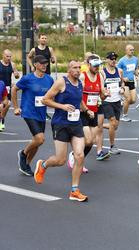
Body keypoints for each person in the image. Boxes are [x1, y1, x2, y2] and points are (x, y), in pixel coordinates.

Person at [34, 60, 88, 202]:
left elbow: (79, 100)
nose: (78, 70)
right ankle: (43, 165)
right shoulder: (61, 82)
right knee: (60, 160)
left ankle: (74, 190)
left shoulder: (80, 84)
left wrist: (86, 109)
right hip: (61, 124)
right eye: (74, 68)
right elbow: (45, 100)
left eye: (79, 68)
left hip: (76, 123)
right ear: (69, 70)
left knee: (79, 155)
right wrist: (62, 106)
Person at [11, 55, 54, 176]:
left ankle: (26, 165)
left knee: (37, 141)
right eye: (41, 63)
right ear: (35, 64)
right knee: (40, 138)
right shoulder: (27, 78)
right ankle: (23, 154)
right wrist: (16, 107)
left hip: (41, 113)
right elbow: (14, 89)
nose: (45, 65)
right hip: (28, 111)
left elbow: (52, 94)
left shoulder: (49, 79)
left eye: (46, 63)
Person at [67, 55, 110, 171]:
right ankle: (74, 156)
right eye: (95, 65)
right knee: (87, 139)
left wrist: (105, 95)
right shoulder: (82, 76)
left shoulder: (100, 77)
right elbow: (77, 94)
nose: (97, 68)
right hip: (83, 111)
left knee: (91, 142)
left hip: (94, 111)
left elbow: (101, 96)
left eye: (99, 65)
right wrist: (86, 108)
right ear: (89, 65)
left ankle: (78, 161)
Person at [101, 52, 125, 155]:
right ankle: (112, 146)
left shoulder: (119, 71)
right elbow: (101, 87)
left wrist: (123, 89)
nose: (113, 60)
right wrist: (104, 92)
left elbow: (122, 82)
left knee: (115, 126)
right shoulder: (102, 72)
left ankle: (99, 125)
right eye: (111, 59)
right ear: (106, 60)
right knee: (112, 122)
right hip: (107, 101)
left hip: (117, 101)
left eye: (115, 58)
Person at [118, 44, 139, 122]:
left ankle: (122, 104)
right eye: (130, 50)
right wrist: (123, 78)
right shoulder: (122, 60)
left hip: (131, 82)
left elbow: (136, 68)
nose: (132, 51)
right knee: (128, 98)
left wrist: (136, 75)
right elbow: (117, 71)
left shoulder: (135, 59)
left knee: (133, 100)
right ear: (126, 51)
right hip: (124, 82)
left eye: (133, 49)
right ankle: (124, 115)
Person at [0, 49, 20, 130]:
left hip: (7, 88)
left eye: (10, 56)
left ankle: (1, 120)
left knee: (7, 104)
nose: (9, 58)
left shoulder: (12, 64)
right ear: (3, 56)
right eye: (7, 56)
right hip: (0, 87)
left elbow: (17, 76)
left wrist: (16, 74)